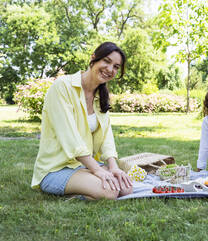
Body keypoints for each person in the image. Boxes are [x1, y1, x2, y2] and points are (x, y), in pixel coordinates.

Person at [31, 42, 133, 200]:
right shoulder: (63, 87)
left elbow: (106, 136)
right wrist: (97, 170)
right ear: (93, 58)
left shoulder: (100, 96)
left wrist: (113, 167)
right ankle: (76, 193)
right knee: (110, 192)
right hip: (56, 169)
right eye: (106, 61)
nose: (110, 69)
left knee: (126, 188)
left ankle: (89, 183)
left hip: (83, 165)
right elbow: (69, 137)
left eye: (116, 66)